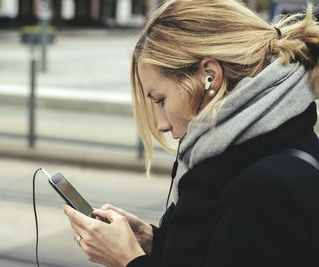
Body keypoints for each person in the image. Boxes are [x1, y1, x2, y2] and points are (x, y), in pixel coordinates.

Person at [64, 0, 319, 266]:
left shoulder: (266, 190)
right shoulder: (254, 147)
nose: (160, 124)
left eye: (160, 100)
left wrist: (128, 260)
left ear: (209, 77)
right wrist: (154, 242)